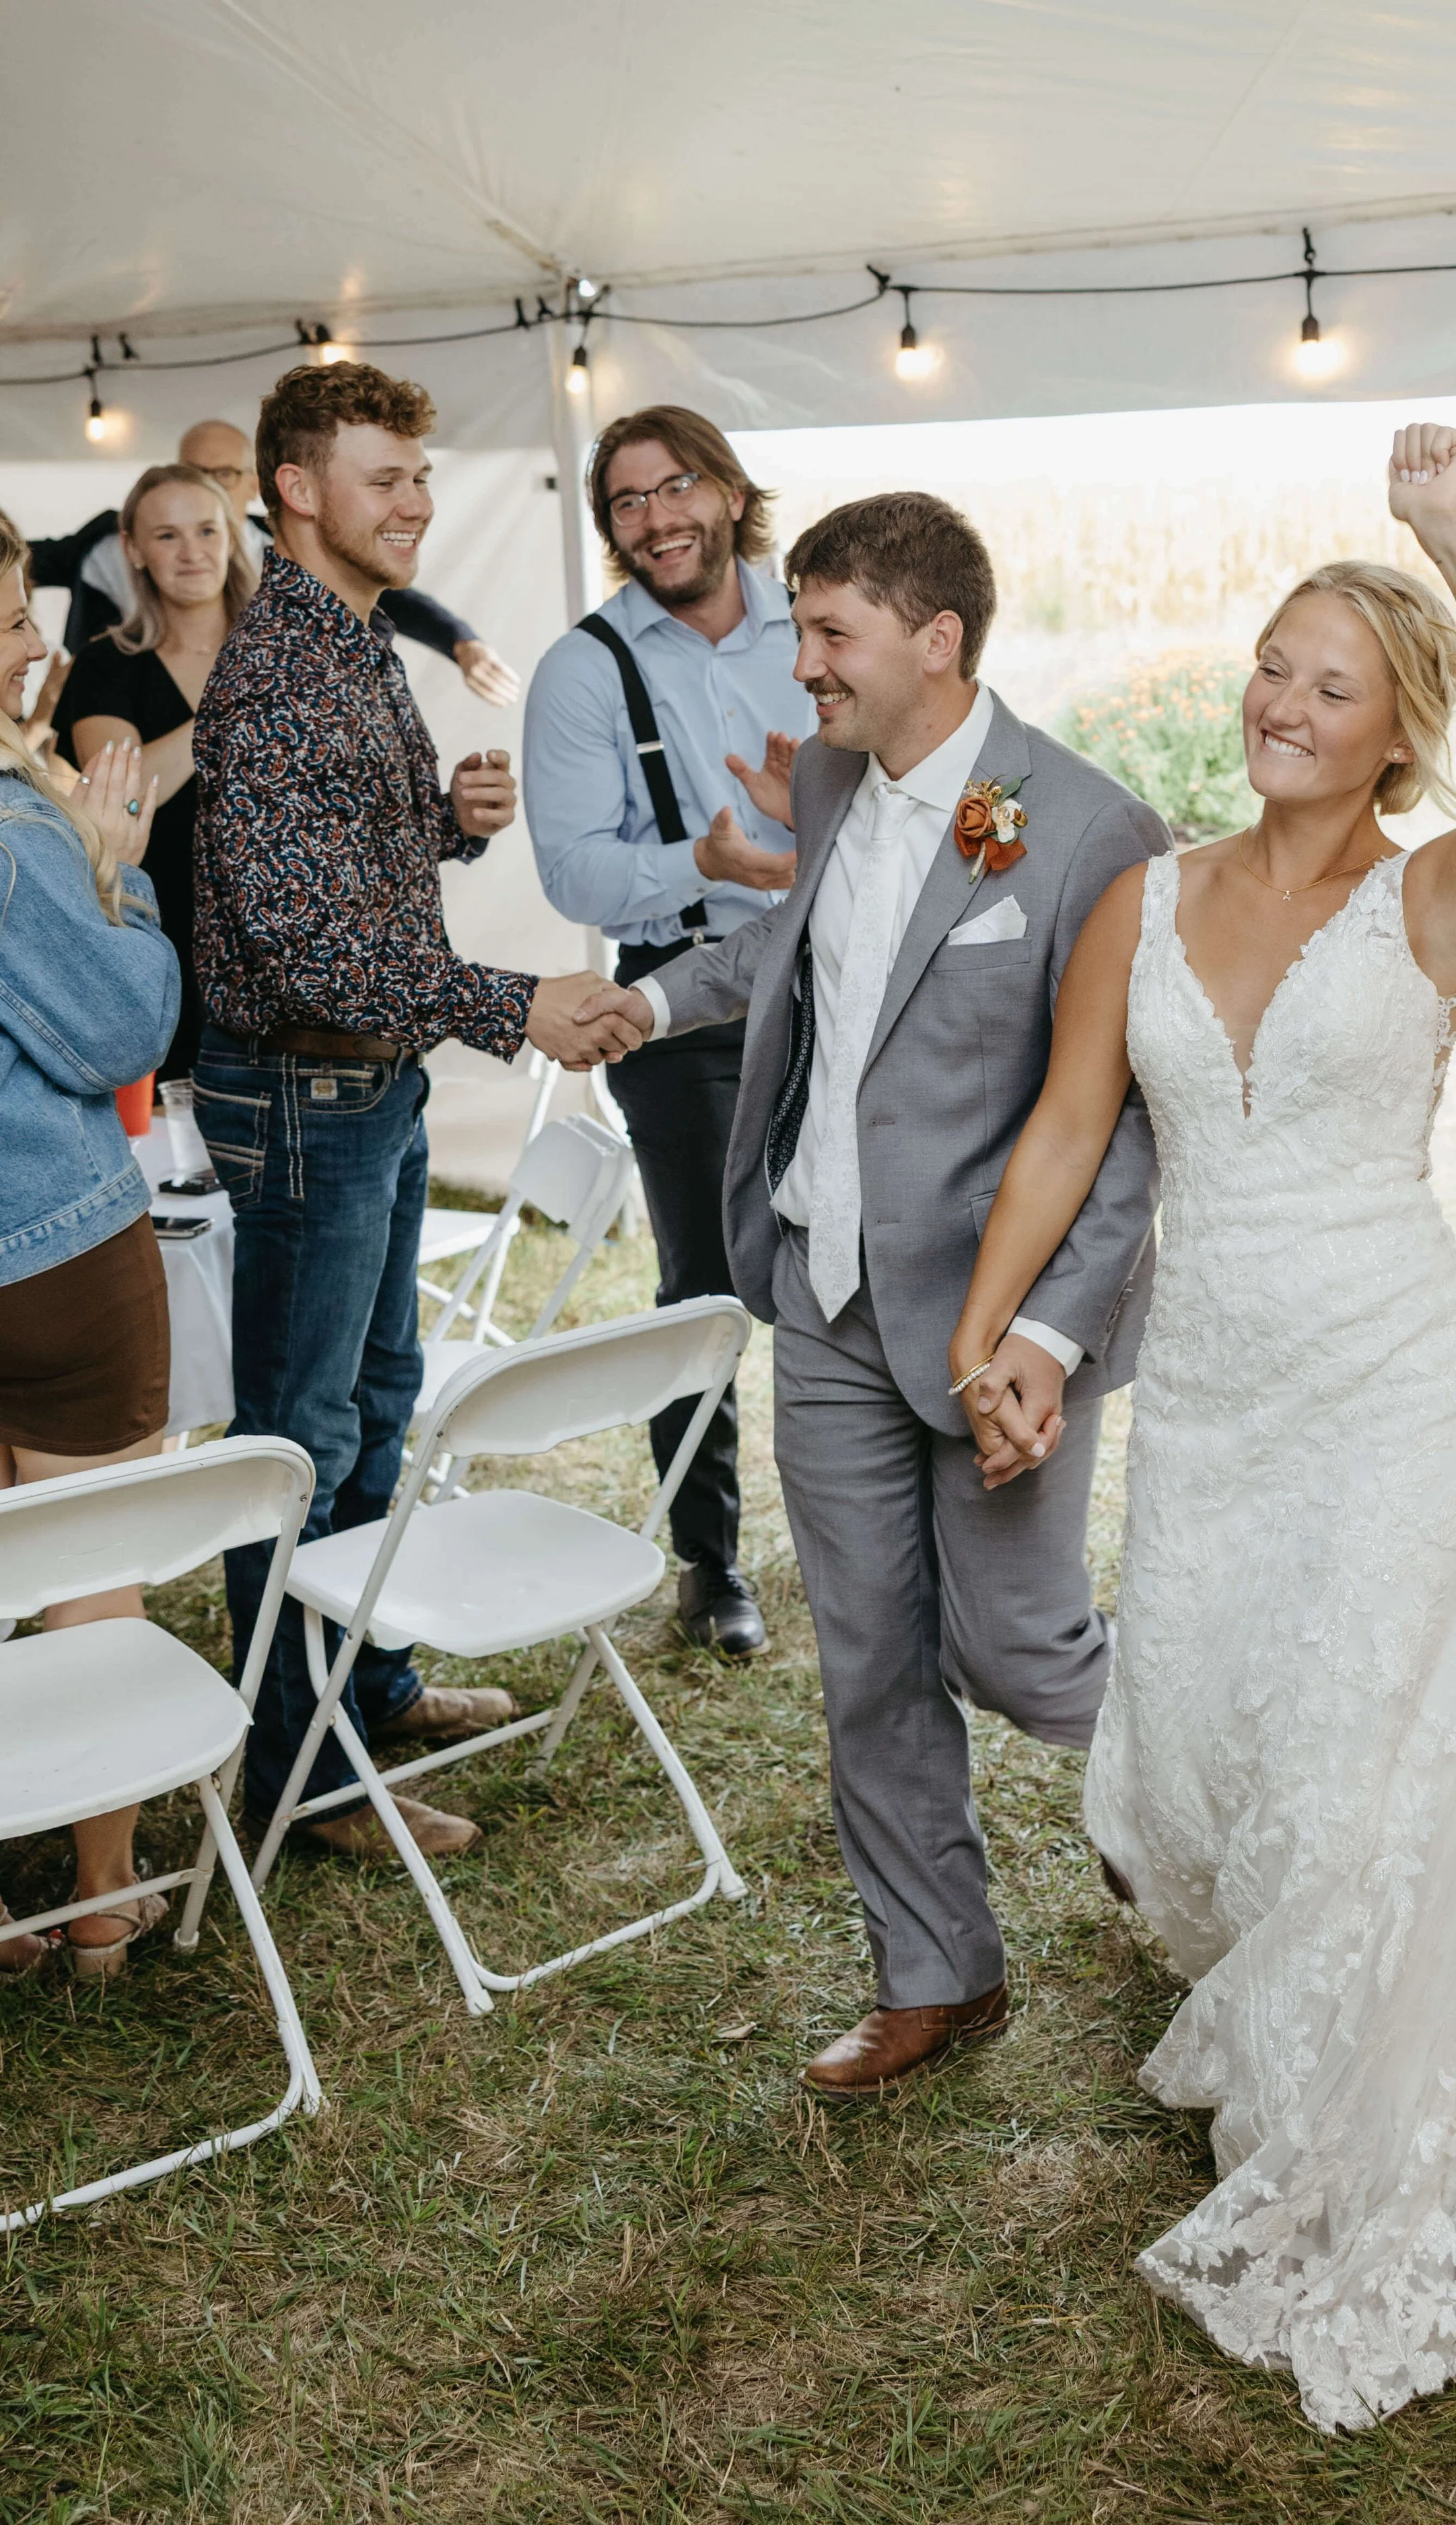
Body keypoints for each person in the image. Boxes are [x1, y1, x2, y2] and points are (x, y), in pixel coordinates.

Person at [950, 424, 1456, 2432]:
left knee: (1358, 1754)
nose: (1280, 699)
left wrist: (1447, 529)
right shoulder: (1141, 903)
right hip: (1223, 1401)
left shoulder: (1437, 901)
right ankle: (1345, 1978)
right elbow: (1069, 1129)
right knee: (1222, 1736)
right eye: (1269, 662)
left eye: (1329, 684)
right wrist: (994, 1335)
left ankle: (1372, 2109)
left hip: (1396, 1380)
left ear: (1387, 736)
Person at [578, 492, 1166, 2093]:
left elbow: (1118, 1129)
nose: (802, 664)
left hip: (996, 1331)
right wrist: (642, 998)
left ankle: (1187, 1830)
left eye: (828, 634)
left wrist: (1045, 1333)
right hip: (822, 1295)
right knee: (872, 1655)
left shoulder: (1091, 828)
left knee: (1026, 1648)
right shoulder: (831, 776)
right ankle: (936, 1972)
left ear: (936, 639)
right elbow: (803, 961)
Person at [193, 360, 640, 1864]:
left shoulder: (356, 642)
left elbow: (334, 882)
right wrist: (510, 1002)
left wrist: (438, 823)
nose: (416, 504)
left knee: (378, 1408)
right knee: (300, 1440)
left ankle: (366, 1684)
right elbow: (299, 939)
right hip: (304, 1099)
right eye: (385, 478)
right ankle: (302, 1777)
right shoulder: (271, 671)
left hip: (369, 1086)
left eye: (423, 480)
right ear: (297, 490)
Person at [524, 406, 814, 1656]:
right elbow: (578, 876)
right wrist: (695, 862)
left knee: (864, 1255)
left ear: (730, 492)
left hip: (843, 979)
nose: (656, 520)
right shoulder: (585, 669)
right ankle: (709, 1561)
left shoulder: (817, 622)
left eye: (676, 487)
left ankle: (878, 1527)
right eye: (627, 503)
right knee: (707, 1285)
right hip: (677, 1000)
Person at [0, 519, 184, 1978]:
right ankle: (104, 1895)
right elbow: (118, 1035)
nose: (34, 648)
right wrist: (114, 874)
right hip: (53, 1252)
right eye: (8, 624)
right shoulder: (15, 837)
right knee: (88, 1569)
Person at [26, 415, 520, 702]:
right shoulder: (108, 538)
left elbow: (388, 597)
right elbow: (23, 559)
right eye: (191, 471)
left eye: (221, 473)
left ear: (251, 484)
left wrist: (462, 643)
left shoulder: (283, 548)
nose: (204, 487)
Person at [53, 462, 258, 1079]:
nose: (191, 551)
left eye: (206, 531)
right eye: (167, 536)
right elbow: (123, 803)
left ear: (233, 536)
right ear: (133, 550)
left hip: (284, 953)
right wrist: (227, 709)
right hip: (171, 949)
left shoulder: (284, 651)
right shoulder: (107, 665)